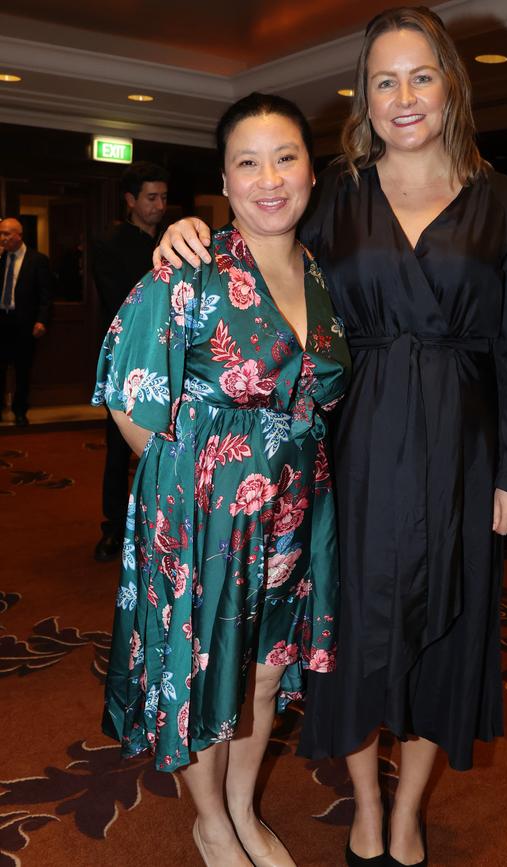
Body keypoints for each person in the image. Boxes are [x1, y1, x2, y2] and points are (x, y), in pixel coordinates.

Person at [156, 8, 507, 866]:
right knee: (348, 637)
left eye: (421, 75)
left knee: (445, 636)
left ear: (452, 82)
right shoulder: (336, 189)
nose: (403, 96)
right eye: (384, 80)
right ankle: (366, 803)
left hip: (464, 446)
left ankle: (408, 808)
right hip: (350, 446)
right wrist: (186, 234)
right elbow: (262, 244)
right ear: (363, 98)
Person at [92, 93, 350, 867]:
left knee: (265, 677)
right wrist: (187, 489)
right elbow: (128, 393)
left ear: (312, 169)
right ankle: (210, 822)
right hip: (205, 514)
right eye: (248, 162)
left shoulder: (323, 273)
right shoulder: (193, 266)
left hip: (298, 506)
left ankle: (243, 805)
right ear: (227, 183)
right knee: (208, 680)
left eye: (286, 157)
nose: (269, 178)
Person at [92, 162, 169, 561]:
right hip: (129, 358)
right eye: (150, 197)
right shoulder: (110, 243)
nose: (159, 205)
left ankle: (161, 526)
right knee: (119, 446)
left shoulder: (176, 241)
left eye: (162, 197)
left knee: (169, 444)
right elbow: (118, 305)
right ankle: (113, 527)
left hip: (173, 355)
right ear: (131, 200)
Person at [0, 217, 52, 425]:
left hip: (24, 322)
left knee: (23, 368)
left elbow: (46, 294)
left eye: (6, 234)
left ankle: (20, 410)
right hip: (1, 320)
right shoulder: (1, 258)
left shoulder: (37, 260)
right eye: (0, 234)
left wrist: (42, 320)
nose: (2, 238)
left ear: (18, 235)